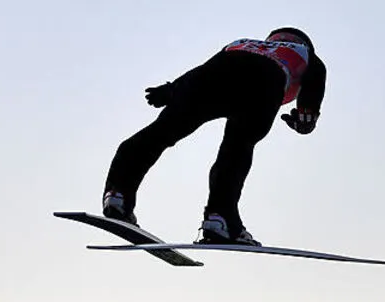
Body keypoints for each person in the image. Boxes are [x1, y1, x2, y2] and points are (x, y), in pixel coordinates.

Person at [100, 27, 326, 246]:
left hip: (216, 76)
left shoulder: (242, 43)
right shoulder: (304, 53)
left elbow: (203, 71)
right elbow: (314, 83)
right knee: (236, 150)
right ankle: (219, 220)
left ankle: (118, 195)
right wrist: (306, 115)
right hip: (263, 84)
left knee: (159, 133)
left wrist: (172, 90)